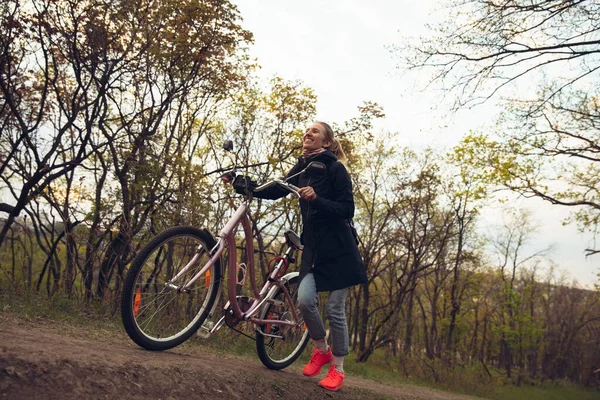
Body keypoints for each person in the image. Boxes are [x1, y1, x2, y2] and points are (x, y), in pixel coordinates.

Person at [227, 121, 367, 391]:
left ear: (326, 143)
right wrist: (242, 184)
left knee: (336, 310)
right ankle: (321, 349)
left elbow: (347, 209)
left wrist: (317, 199)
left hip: (340, 249)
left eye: (315, 131)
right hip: (313, 251)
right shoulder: (302, 168)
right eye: (306, 130)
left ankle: (337, 368)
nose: (308, 133)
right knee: (304, 300)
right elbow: (275, 189)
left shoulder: (335, 169)